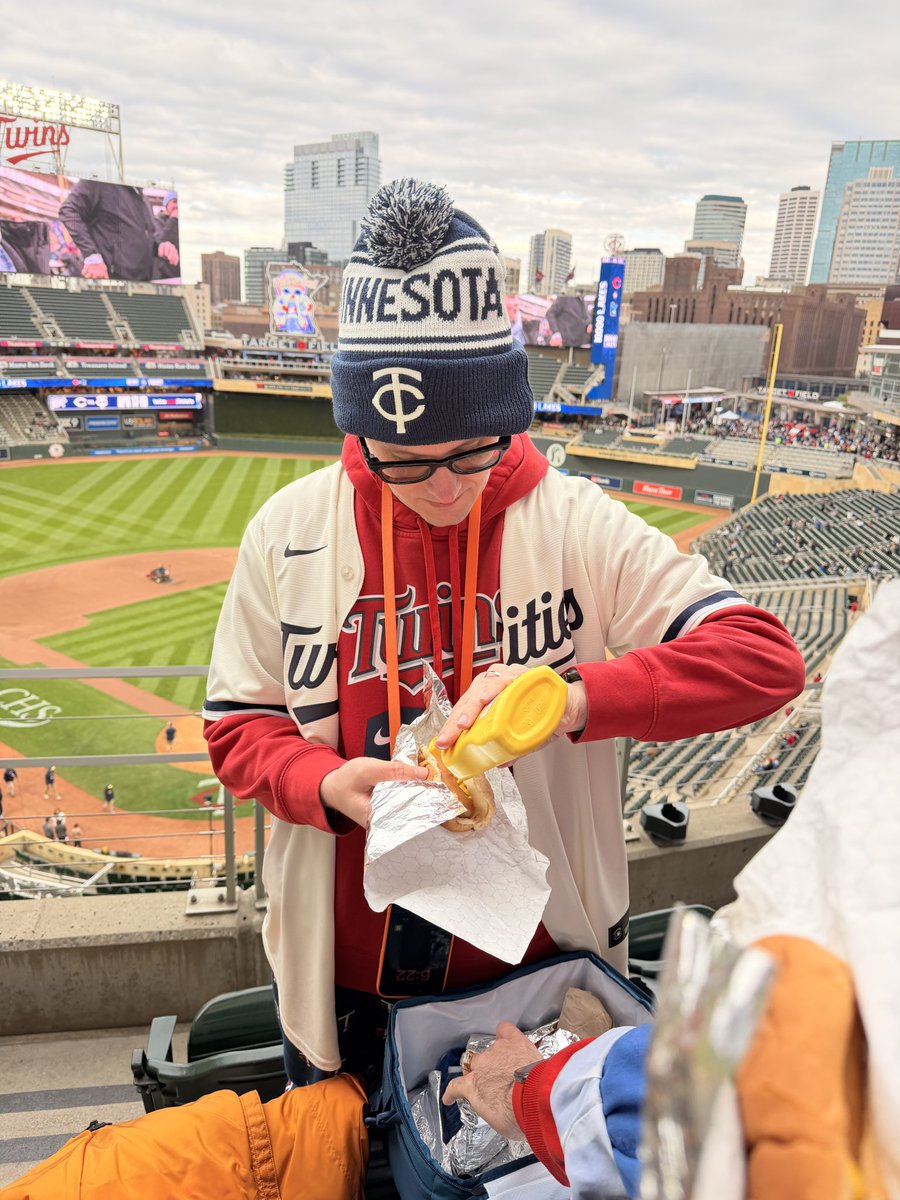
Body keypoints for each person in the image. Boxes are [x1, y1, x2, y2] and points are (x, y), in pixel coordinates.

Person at [203, 178, 805, 1087]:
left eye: (472, 449)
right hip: (341, 996)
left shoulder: (575, 523)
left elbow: (765, 658)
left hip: (542, 986)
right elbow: (236, 729)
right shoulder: (286, 532)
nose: (444, 489)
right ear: (357, 429)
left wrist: (567, 697)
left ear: (508, 414)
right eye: (404, 460)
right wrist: (325, 784)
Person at [59, 178, 179, 282]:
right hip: (111, 282)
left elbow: (140, 239)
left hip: (141, 284)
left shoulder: (143, 200)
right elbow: (68, 211)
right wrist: (91, 255)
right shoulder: (100, 183)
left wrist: (159, 246)